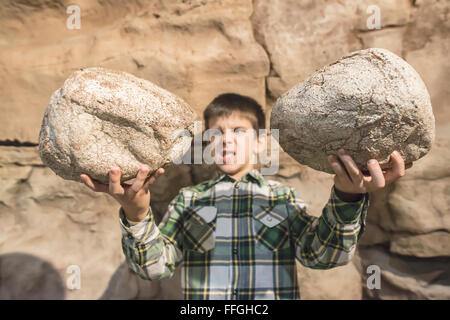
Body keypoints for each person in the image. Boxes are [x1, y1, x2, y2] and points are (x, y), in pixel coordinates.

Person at [80, 93, 412, 299]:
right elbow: (155, 269)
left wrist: (347, 198)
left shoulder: (282, 198)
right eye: (216, 134)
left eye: (239, 132)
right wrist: (137, 213)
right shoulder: (189, 201)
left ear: (260, 142)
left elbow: (322, 256)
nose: (226, 140)